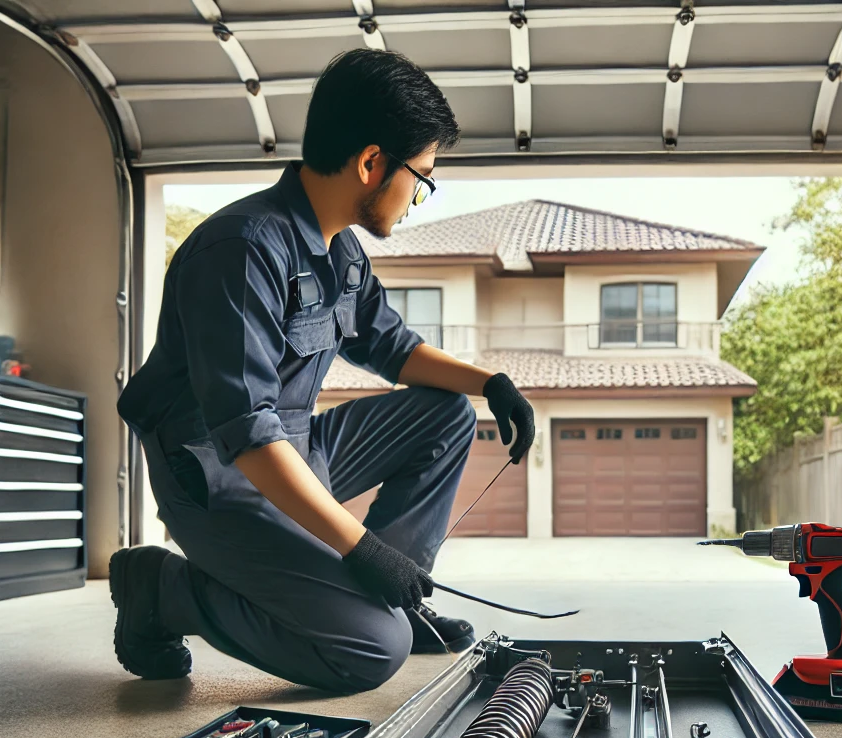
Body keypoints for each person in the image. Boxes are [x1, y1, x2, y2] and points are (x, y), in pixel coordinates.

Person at [112, 49, 535, 693]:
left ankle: (398, 598)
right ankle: (166, 591)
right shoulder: (242, 249)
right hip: (218, 479)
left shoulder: (341, 252)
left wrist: (490, 385)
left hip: (299, 453)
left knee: (446, 412)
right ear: (372, 164)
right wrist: (361, 547)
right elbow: (247, 437)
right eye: (420, 178)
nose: (418, 197)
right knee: (370, 651)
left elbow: (394, 349)